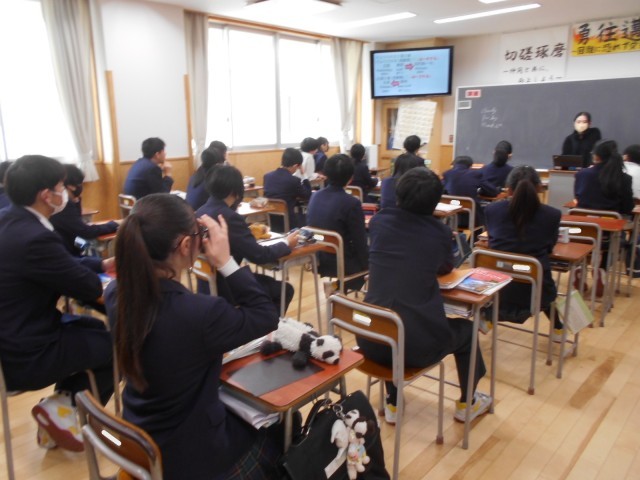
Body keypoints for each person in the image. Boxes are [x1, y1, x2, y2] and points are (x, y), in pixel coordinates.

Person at [104, 193, 281, 480]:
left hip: (140, 436)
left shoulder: (116, 294)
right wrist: (226, 261)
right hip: (189, 458)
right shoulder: (200, 313)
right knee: (280, 426)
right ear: (187, 245)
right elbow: (266, 315)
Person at [357, 167, 490, 424]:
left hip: (369, 336)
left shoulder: (379, 222)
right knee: (467, 331)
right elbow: (445, 267)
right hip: (413, 347)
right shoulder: (439, 233)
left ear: (398, 195)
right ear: (435, 202)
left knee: (391, 314)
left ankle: (393, 402)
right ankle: (468, 402)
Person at [0, 155, 114, 452]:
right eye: (62, 186)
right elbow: (88, 287)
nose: (66, 192)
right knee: (119, 346)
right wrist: (105, 277)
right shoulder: (35, 237)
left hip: (13, 335)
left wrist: (102, 264)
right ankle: (65, 409)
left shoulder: (9, 220)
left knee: (92, 327)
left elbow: (61, 266)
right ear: (46, 195)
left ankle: (60, 408)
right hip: (26, 354)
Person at [196, 165, 298, 311]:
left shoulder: (200, 212)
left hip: (206, 286)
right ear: (234, 190)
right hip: (228, 287)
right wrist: (286, 243)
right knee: (285, 290)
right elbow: (260, 255)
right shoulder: (229, 218)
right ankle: (263, 324)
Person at [484, 166, 564, 336]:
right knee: (540, 276)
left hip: (497, 286)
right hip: (535, 290)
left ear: (508, 189)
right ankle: (558, 328)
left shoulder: (492, 210)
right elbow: (549, 247)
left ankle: (487, 318)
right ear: (539, 188)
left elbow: (492, 240)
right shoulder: (552, 215)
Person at [306, 154, 368, 292]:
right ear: (351, 178)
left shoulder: (315, 196)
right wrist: (368, 263)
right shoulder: (352, 203)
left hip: (318, 257)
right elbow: (360, 240)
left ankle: (336, 288)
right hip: (341, 261)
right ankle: (337, 287)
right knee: (375, 262)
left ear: (326, 174)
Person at [50, 164, 120, 256]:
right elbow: (86, 231)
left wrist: (76, 201)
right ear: (71, 186)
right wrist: (114, 224)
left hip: (69, 244)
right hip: (67, 251)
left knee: (88, 247)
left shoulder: (66, 202)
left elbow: (78, 223)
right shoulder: (63, 204)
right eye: (80, 183)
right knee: (92, 249)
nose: (81, 187)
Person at [575, 139, 634, 215]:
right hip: (613, 220)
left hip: (582, 220)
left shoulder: (581, 174)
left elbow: (578, 198)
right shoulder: (625, 178)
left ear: (596, 156)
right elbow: (627, 208)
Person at [263, 148, 312, 231]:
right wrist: (304, 175)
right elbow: (307, 194)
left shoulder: (267, 176)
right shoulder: (293, 180)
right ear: (295, 166)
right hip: (289, 223)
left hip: (271, 222)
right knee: (307, 218)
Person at [442, 155, 495, 227]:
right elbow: (492, 191)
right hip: (472, 218)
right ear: (470, 165)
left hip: (452, 217)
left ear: (454, 164)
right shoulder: (475, 174)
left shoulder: (447, 174)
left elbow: (440, 190)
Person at [186, 146, 225, 210]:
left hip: (190, 212)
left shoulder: (196, 175)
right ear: (217, 163)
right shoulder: (213, 179)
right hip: (201, 213)